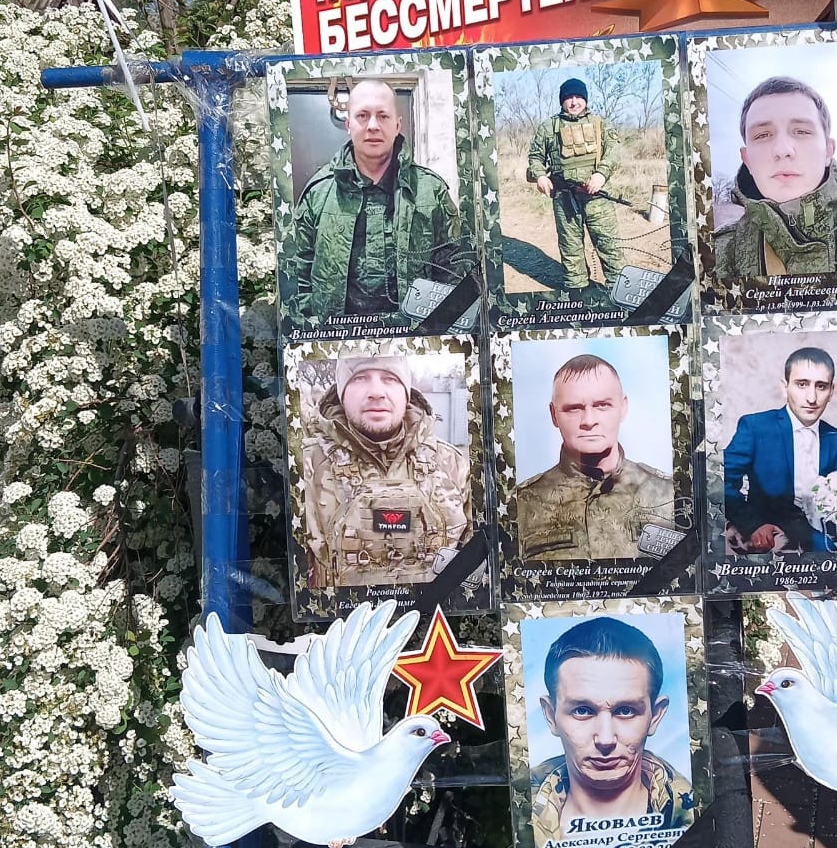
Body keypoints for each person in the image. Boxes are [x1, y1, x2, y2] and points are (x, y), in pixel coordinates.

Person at [289, 77, 470, 321]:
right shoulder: (318, 194)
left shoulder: (430, 192)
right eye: (362, 116)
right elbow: (299, 279)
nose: (373, 125)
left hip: (416, 338)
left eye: (383, 116)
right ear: (348, 124)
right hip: (335, 340)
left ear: (397, 125)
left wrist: (433, 333)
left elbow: (455, 274)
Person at [529, 616, 694, 848]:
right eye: (582, 711)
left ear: (655, 716)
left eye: (626, 711)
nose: (605, 739)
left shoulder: (697, 816)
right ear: (550, 716)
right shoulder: (519, 820)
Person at [300, 355, 471, 588]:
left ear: (406, 393)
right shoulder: (303, 468)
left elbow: (478, 576)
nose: (376, 392)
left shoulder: (453, 465)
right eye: (360, 378)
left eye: (390, 379)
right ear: (341, 393)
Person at [515, 353, 675, 561]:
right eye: (573, 409)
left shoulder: (667, 493)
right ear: (554, 415)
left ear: (623, 408)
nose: (589, 421)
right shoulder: (521, 503)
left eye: (602, 405)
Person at [714, 75, 837, 281]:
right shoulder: (714, 255)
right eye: (763, 135)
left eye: (801, 131)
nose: (782, 150)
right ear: (747, 160)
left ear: (828, 150)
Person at [722, 346, 837, 555]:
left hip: (822, 529)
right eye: (802, 384)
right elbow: (720, 481)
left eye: (821, 386)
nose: (811, 398)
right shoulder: (756, 427)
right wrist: (753, 524)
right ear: (785, 387)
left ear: (831, 391)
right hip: (775, 525)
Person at [526, 76, 627, 297]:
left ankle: (619, 293)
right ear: (562, 101)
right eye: (569, 98)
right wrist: (541, 176)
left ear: (585, 99)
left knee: (609, 246)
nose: (573, 102)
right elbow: (535, 157)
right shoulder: (548, 127)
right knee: (570, 248)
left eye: (578, 97)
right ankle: (577, 292)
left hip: (597, 198)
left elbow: (615, 152)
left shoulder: (600, 124)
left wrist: (601, 174)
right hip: (564, 198)